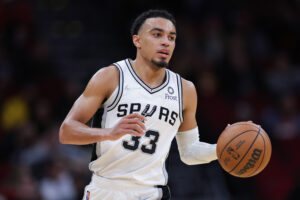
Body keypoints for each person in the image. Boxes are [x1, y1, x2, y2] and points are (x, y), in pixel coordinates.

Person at [59, 9, 218, 200]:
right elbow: (66, 131)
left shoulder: (185, 90)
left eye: (171, 37)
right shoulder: (111, 76)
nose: (166, 42)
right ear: (137, 41)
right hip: (107, 190)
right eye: (157, 34)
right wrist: (108, 133)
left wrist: (221, 149)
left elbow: (190, 152)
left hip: (152, 193)